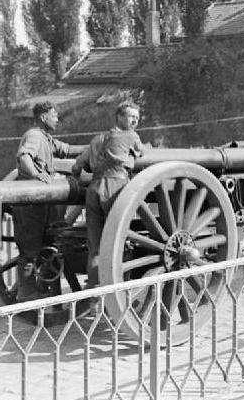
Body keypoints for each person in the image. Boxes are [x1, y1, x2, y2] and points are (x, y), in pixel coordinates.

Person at [14, 101, 85, 301]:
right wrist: (37, 174)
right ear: (43, 117)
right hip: (30, 201)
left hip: (41, 201)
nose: (57, 119)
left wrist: (98, 144)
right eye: (54, 116)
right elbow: (24, 156)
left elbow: (68, 149)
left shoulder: (46, 138)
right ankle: (26, 293)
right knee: (30, 249)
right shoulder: (34, 136)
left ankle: (41, 289)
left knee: (44, 245)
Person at [72, 102, 148, 287]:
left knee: (96, 250)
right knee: (118, 243)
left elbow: (78, 165)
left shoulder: (98, 139)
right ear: (119, 117)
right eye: (131, 117)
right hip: (116, 187)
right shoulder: (131, 135)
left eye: (137, 118)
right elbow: (143, 152)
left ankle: (93, 299)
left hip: (93, 190)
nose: (135, 121)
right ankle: (115, 297)